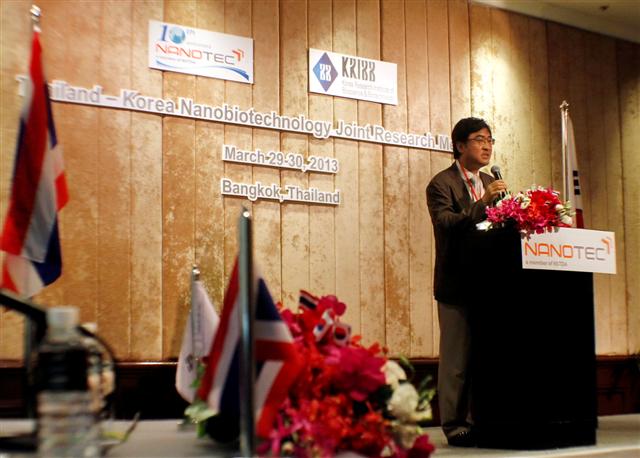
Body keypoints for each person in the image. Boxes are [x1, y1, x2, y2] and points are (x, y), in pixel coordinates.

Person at [426, 117, 507, 447]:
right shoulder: (441, 183)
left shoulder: (489, 181)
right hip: (456, 284)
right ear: (460, 145)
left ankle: (483, 420)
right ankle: (455, 425)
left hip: (489, 285)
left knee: (485, 358)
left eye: (490, 140)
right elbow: (446, 222)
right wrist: (482, 203)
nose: (487, 146)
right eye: (479, 139)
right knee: (456, 361)